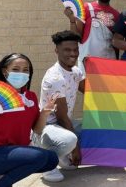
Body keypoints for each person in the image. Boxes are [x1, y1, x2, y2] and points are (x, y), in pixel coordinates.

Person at [0, 53, 58, 187]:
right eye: (15, 69)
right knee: (40, 157)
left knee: (52, 159)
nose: (21, 73)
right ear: (5, 71)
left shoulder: (30, 97)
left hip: (14, 153)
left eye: (25, 70)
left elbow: (37, 130)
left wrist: (44, 113)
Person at [35, 30, 85, 182]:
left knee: (94, 128)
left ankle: (63, 156)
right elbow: (62, 118)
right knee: (70, 139)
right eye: (67, 50)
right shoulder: (55, 78)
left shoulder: (75, 71)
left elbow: (90, 92)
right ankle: (47, 164)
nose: (73, 53)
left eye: (75, 49)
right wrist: (76, 149)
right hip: (46, 127)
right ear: (56, 50)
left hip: (61, 125)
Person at [64, 0, 120, 73]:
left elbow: (117, 44)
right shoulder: (86, 8)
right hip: (89, 62)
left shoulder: (116, 14)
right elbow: (77, 36)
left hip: (109, 63)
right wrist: (72, 20)